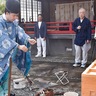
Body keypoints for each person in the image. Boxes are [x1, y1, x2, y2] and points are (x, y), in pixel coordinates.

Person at [0, 0, 36, 96]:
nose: (16, 18)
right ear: (7, 12)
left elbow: (20, 32)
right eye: (14, 15)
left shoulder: (14, 22)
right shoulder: (0, 22)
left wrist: (28, 39)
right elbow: (3, 39)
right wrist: (18, 46)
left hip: (8, 56)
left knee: (6, 77)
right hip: (1, 56)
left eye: (17, 15)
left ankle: (5, 93)